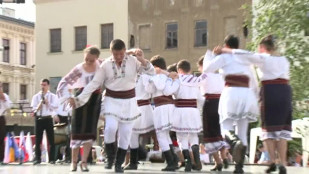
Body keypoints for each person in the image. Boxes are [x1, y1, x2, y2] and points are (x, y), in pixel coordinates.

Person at [70, 39, 154, 173]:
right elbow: (94, 83)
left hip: (129, 101)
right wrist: (79, 98)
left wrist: (142, 60)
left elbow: (151, 73)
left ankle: (119, 164)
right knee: (110, 127)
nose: (119, 57)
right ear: (111, 52)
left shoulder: (133, 61)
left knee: (126, 133)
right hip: (111, 100)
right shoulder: (106, 65)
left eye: (121, 54)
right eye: (116, 54)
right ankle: (110, 156)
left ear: (125, 51)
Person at [219, 35, 292, 174]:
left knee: (268, 130)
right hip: (285, 91)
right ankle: (282, 163)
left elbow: (244, 54)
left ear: (263, 47)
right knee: (283, 131)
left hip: (270, 90)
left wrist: (227, 50)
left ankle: (272, 160)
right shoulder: (284, 60)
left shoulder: (263, 58)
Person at [204, 35, 259, 173]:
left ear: (226, 45)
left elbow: (207, 69)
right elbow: (253, 80)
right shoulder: (245, 59)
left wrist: (212, 54)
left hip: (231, 92)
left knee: (225, 127)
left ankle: (234, 142)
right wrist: (256, 97)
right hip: (247, 94)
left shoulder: (224, 57)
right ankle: (239, 166)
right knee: (242, 130)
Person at [57, 45, 102, 172]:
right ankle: (74, 162)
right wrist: (69, 97)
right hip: (79, 99)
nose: (88, 62)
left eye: (91, 60)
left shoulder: (102, 66)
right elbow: (63, 83)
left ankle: (84, 162)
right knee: (76, 131)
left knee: (89, 132)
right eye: (86, 59)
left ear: (97, 58)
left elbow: (115, 61)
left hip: (94, 100)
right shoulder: (79, 69)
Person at [171, 60, 206, 172]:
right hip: (193, 111)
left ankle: (188, 162)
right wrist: (199, 110)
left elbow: (172, 94)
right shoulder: (195, 80)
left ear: (179, 70)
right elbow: (200, 99)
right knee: (193, 136)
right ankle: (197, 158)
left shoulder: (177, 80)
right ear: (189, 70)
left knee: (181, 138)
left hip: (180, 110)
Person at [197, 52, 229, 171]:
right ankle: (224, 157)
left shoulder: (205, 75)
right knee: (220, 133)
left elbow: (196, 84)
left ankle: (218, 161)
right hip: (221, 104)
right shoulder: (221, 75)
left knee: (210, 134)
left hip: (209, 103)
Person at [149, 55, 179, 171]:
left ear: (156, 67)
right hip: (168, 106)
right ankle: (173, 160)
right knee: (166, 135)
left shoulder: (159, 75)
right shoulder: (167, 75)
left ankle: (171, 161)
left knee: (161, 135)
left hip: (162, 107)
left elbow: (159, 87)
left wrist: (154, 76)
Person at [124, 72, 155, 170]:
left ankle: (172, 159)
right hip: (133, 108)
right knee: (132, 134)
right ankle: (133, 162)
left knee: (159, 133)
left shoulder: (144, 76)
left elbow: (150, 90)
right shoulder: (127, 76)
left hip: (144, 107)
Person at [31, 79, 59, 165]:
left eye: (44, 85)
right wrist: (40, 104)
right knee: (38, 139)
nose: (43, 86)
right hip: (39, 118)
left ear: (48, 85)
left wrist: (47, 103)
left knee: (51, 139)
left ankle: (52, 159)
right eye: (42, 85)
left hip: (48, 118)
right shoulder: (36, 96)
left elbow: (55, 107)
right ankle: (37, 158)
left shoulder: (53, 96)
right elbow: (34, 109)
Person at [0, 82, 12, 165]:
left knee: (1, 139)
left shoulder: (5, 96)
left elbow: (8, 106)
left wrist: (3, 99)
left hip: (1, 118)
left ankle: (1, 159)